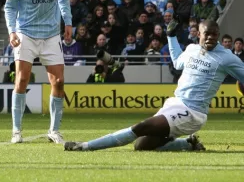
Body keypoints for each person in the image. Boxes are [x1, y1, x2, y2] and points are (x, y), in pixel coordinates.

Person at [64, 20, 244, 152]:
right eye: (207, 34)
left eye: (215, 34)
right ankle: (188, 144)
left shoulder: (227, 57)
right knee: (141, 145)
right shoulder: (191, 49)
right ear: (199, 34)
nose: (211, 37)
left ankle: (85, 146)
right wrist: (171, 36)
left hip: (192, 112)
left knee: (140, 127)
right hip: (175, 103)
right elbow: (177, 63)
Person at [4, 0, 72, 144]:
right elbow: (10, 6)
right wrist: (12, 31)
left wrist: (67, 22)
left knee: (59, 82)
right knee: (22, 80)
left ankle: (54, 130)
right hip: (26, 33)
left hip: (51, 34)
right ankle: (16, 131)